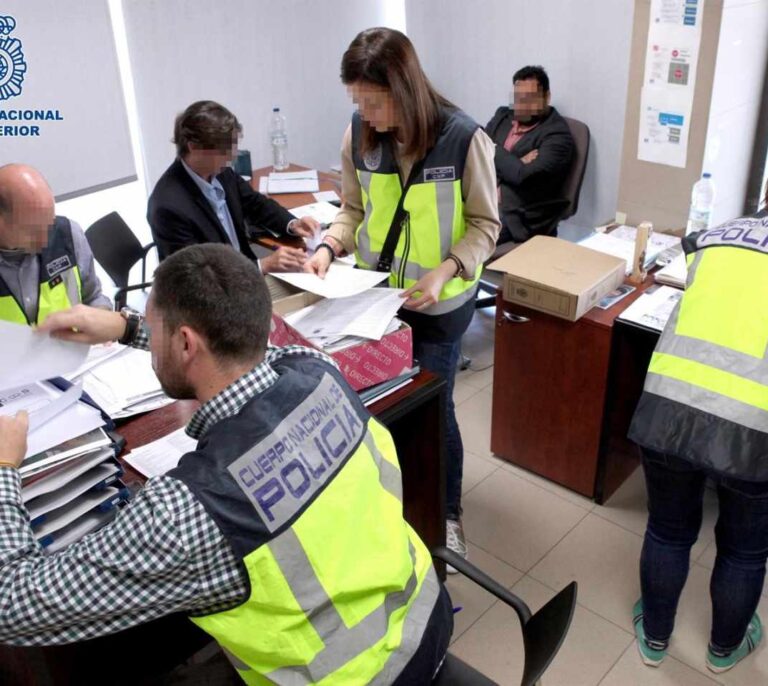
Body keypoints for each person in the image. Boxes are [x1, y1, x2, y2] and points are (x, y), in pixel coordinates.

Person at [0, 244, 452, 684]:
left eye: (157, 331)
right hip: (426, 619)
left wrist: (5, 468)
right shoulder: (316, 370)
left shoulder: (187, 511)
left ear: (183, 343)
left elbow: (13, 604)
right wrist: (126, 327)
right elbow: (242, 350)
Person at [303, 27, 500, 567]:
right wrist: (328, 245)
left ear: (404, 89)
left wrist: (447, 270)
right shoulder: (358, 137)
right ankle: (390, 507)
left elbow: (486, 225)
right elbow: (352, 209)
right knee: (376, 407)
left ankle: (446, 514)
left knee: (434, 409)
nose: (365, 114)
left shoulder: (464, 139)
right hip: (372, 305)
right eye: (357, 102)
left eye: (373, 102)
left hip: (439, 306)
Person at [627, 212, 768, 673]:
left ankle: (654, 636)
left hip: (671, 403)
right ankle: (724, 650)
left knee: (668, 529)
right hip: (755, 421)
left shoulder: (716, 235)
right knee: (743, 549)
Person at [147, 100, 319, 274]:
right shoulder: (168, 208)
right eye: (224, 150)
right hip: (216, 295)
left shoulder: (220, 172)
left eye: (233, 147)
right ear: (194, 147)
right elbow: (195, 277)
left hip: (246, 276)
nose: (232, 156)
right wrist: (262, 265)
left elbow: (256, 204)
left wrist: (292, 223)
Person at [0, 163, 110, 324]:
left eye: (49, 224)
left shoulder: (68, 235)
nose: (44, 241)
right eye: (32, 231)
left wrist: (101, 319)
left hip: (73, 348)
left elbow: (93, 297)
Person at [485, 65, 575, 244]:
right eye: (518, 98)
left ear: (546, 97)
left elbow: (524, 177)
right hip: (484, 199)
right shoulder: (503, 116)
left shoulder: (557, 136)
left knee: (462, 237)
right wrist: (516, 162)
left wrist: (492, 150)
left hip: (518, 216)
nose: (522, 106)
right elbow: (476, 153)